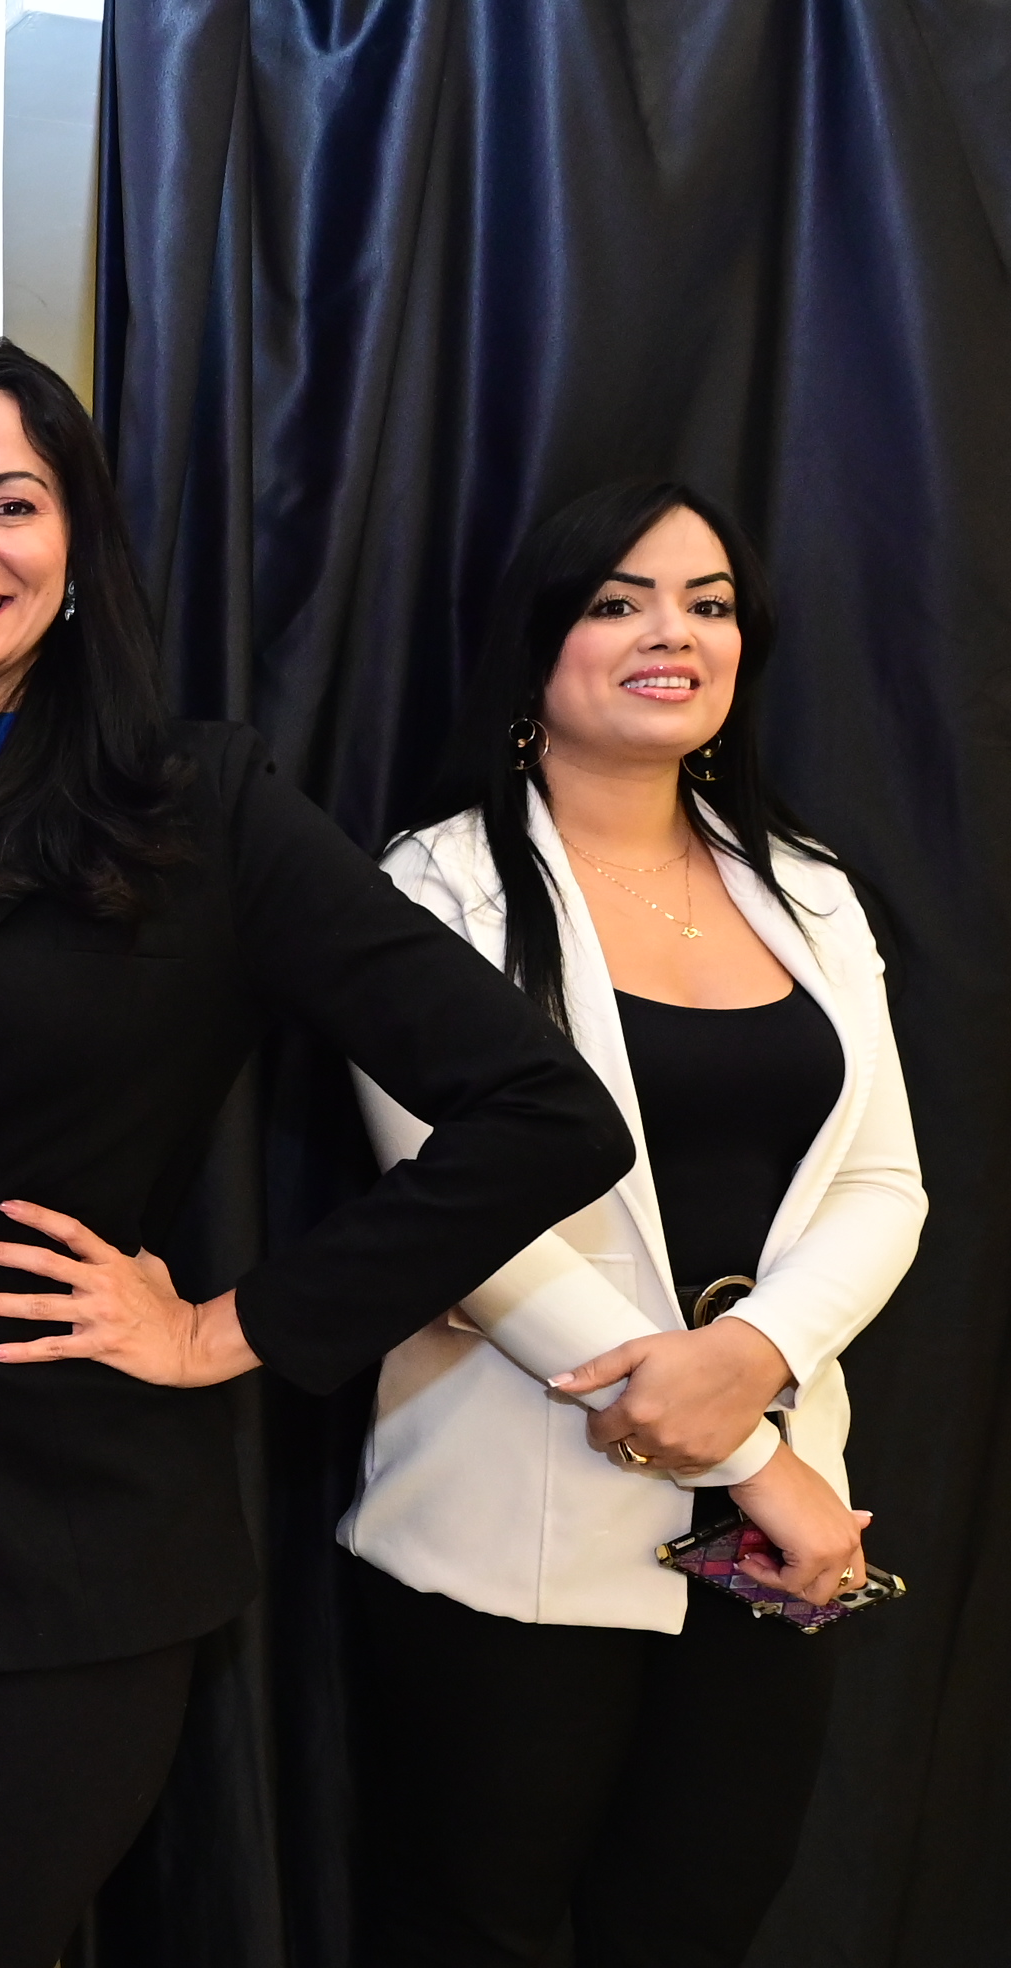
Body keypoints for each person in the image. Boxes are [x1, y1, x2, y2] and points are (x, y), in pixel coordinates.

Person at [0, 330, 636, 1965]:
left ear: (78, 546)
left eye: (9, 503)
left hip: (60, 1554)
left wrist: (228, 1327)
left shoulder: (199, 808)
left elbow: (544, 1113)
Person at [339, 481, 923, 1967]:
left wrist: (760, 1360)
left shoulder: (808, 888)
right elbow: (466, 1223)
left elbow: (884, 1184)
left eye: (708, 604)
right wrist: (758, 1466)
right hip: (512, 1526)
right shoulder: (436, 887)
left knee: (698, 1925)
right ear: (536, 645)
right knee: (468, 1932)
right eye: (618, 602)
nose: (674, 633)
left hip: (773, 1546)